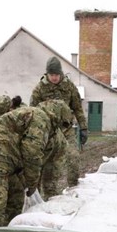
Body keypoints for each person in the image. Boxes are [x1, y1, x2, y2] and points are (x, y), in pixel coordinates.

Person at [0, 99, 72, 228]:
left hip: (5, 157)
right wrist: (32, 183)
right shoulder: (40, 118)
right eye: (63, 124)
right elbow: (32, 152)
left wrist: (27, 182)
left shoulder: (44, 122)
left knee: (16, 198)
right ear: (58, 116)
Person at [30, 56, 86, 187]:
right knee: (43, 164)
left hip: (66, 129)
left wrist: (83, 127)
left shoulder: (69, 86)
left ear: (60, 73)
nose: (54, 77)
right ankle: (37, 195)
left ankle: (73, 188)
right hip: (47, 132)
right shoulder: (39, 89)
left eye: (56, 74)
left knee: (73, 158)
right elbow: (32, 112)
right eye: (51, 74)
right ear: (47, 74)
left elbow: (77, 108)